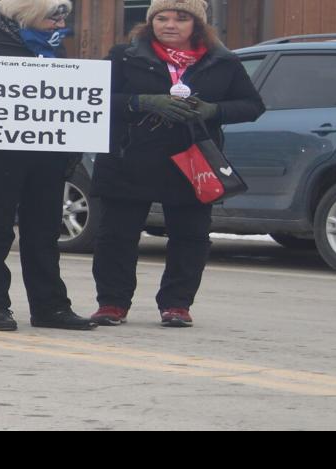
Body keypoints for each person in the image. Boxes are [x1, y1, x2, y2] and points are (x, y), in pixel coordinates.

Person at [90, 0, 264, 328]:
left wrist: (213, 110)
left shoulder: (222, 62)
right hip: (130, 158)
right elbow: (95, 98)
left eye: (181, 18)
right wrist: (140, 102)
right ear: (150, 22)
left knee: (190, 236)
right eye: (162, 17)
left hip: (191, 160)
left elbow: (252, 105)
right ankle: (112, 303)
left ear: (197, 24)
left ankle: (176, 305)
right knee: (116, 235)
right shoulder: (124, 56)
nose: (170, 24)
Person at [0, 0, 97, 331]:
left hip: (45, 156)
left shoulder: (54, 49)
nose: (60, 20)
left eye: (63, 14)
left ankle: (50, 307)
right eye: (53, 14)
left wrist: (71, 144)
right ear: (26, 13)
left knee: (44, 232)